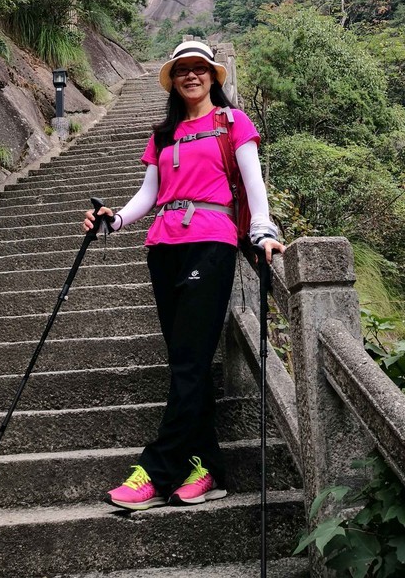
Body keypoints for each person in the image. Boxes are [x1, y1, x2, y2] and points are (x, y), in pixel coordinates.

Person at [83, 38, 284, 511]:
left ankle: (157, 470)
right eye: (182, 69)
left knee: (191, 361)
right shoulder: (162, 134)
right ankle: (207, 467)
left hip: (211, 242)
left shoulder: (232, 122)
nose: (191, 75)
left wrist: (261, 231)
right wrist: (114, 221)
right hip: (163, 245)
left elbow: (254, 185)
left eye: (200, 68)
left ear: (215, 75)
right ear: (172, 79)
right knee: (185, 364)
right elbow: (147, 194)